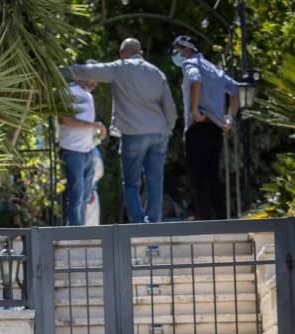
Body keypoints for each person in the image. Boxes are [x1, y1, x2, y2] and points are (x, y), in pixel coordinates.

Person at [63, 38, 177, 223]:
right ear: (140, 53)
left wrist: (56, 72)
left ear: (122, 55)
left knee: (132, 184)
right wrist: (168, 130)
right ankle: (154, 223)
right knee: (155, 181)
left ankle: (138, 224)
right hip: (159, 134)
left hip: (133, 135)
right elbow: (170, 109)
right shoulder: (157, 73)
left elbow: (86, 71)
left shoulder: (120, 67)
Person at [170, 35, 239, 221]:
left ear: (186, 49)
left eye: (176, 50)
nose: (175, 55)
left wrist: (194, 110)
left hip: (198, 126)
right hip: (216, 129)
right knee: (213, 178)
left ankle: (207, 222)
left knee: (199, 180)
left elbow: (195, 81)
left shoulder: (190, 63)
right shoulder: (214, 68)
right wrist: (229, 117)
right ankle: (222, 219)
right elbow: (234, 90)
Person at [58, 72, 106, 226]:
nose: (95, 85)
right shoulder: (68, 92)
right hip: (72, 152)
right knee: (76, 197)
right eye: (94, 80)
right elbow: (65, 119)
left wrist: (97, 132)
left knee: (85, 198)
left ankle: (82, 231)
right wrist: (92, 125)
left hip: (88, 152)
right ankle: (76, 235)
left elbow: (85, 125)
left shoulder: (89, 96)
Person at [85, 147, 104, 226]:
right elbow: (99, 171)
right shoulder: (93, 150)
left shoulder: (93, 150)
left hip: (90, 192)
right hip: (89, 191)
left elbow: (99, 171)